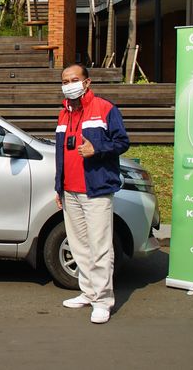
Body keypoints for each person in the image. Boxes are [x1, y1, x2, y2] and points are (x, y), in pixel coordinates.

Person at [54, 64, 129, 324]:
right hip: (70, 190)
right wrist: (58, 187)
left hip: (96, 189)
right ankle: (87, 292)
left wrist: (96, 148)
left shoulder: (105, 108)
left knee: (100, 248)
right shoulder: (63, 113)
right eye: (65, 81)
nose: (69, 84)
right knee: (79, 246)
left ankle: (103, 300)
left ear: (87, 82)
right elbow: (61, 153)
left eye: (74, 79)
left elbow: (122, 142)